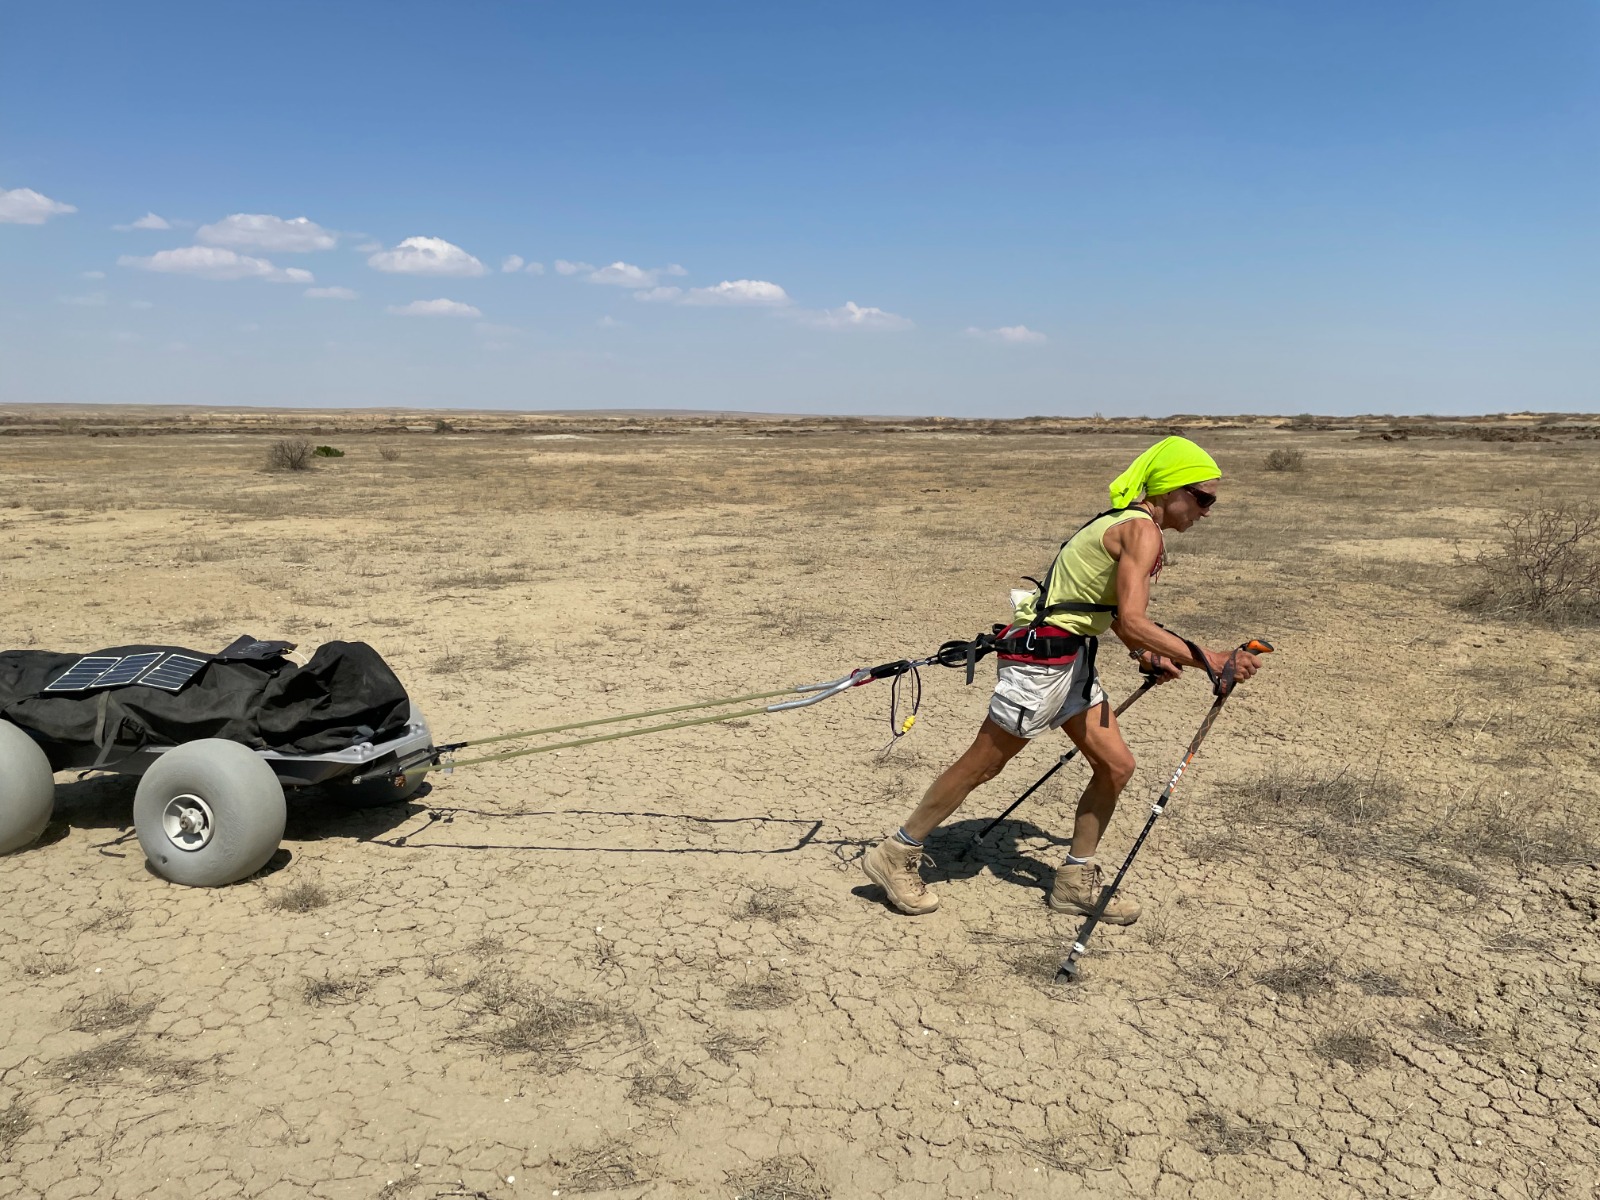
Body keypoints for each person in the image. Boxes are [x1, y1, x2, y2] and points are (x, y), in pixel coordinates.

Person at [861, 436, 1261, 919]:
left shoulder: (1129, 526)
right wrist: (1212, 660)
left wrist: (1146, 653)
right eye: (1203, 497)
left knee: (1116, 766)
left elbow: (1105, 610)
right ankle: (897, 852)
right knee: (982, 765)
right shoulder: (1141, 529)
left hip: (1071, 662)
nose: (1207, 510)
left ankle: (1073, 881)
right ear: (1172, 489)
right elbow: (1133, 619)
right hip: (1042, 665)